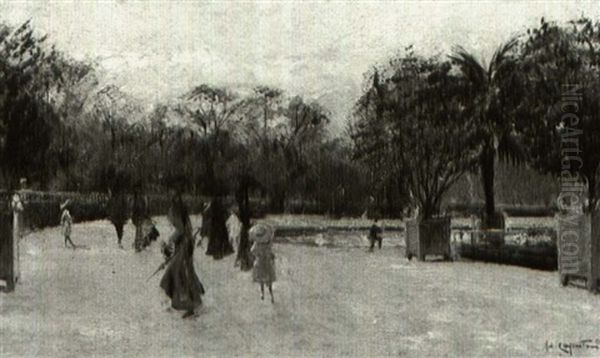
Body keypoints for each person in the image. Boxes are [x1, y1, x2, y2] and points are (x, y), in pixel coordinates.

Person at [159, 194, 205, 319]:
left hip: (184, 246)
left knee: (179, 272)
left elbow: (180, 230)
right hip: (185, 245)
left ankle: (189, 305)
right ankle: (193, 303)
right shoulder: (179, 210)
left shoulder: (175, 211)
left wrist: (169, 240)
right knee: (184, 272)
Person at [249, 223, 276, 303]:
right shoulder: (268, 245)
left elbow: (252, 251)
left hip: (259, 262)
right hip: (267, 262)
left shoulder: (256, 245)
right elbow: (271, 253)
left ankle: (262, 293)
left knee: (261, 279)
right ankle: (271, 295)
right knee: (269, 279)